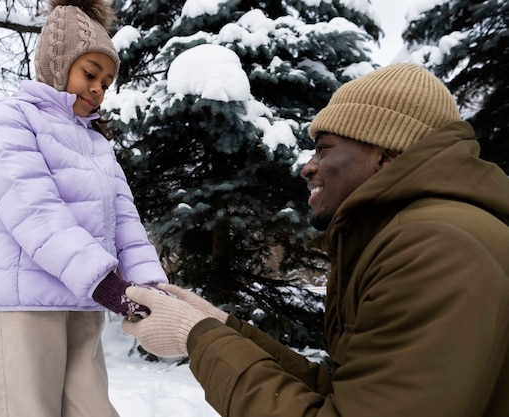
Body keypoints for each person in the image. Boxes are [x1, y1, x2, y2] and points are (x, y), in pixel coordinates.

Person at [122, 63, 509, 417]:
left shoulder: (434, 248)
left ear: (386, 155)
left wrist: (196, 336)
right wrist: (218, 327)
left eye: (324, 148)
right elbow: (353, 397)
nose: (307, 166)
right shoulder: (421, 233)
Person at [0, 1, 167, 416]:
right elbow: (33, 208)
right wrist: (102, 281)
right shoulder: (6, 120)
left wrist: (151, 287)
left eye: (106, 82)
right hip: (24, 309)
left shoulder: (96, 145)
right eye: (89, 73)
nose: (98, 88)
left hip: (82, 305)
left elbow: (125, 221)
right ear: (58, 65)